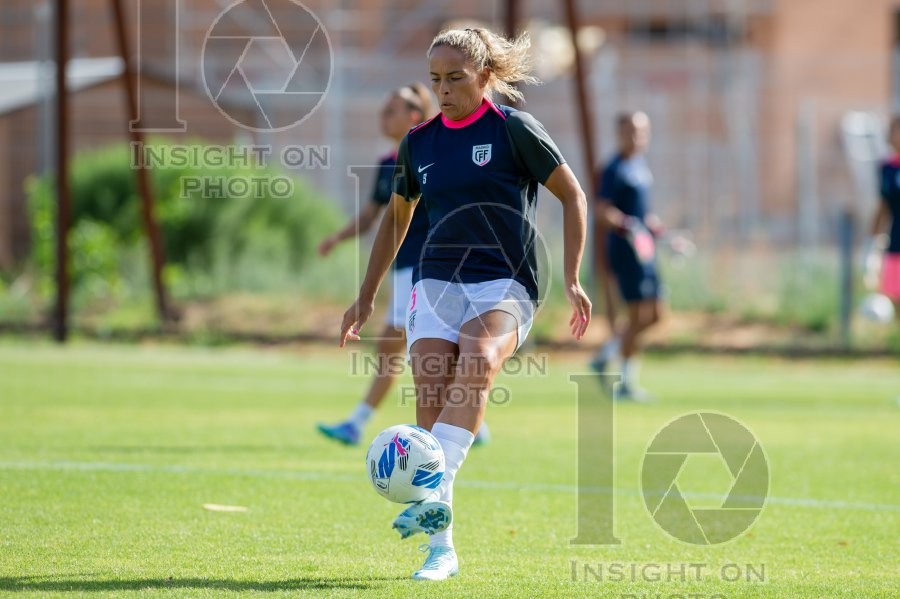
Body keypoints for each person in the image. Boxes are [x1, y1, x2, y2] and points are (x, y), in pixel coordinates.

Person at [338, 27, 591, 581]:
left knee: (478, 358)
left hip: (506, 282)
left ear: (484, 75)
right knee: (430, 398)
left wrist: (572, 277)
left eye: (455, 77)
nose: (444, 89)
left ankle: (432, 488)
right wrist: (365, 295)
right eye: (436, 79)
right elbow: (397, 218)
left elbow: (573, 196)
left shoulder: (514, 129)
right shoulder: (419, 142)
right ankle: (441, 552)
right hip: (435, 282)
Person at [317, 86, 492, 447]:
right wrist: (337, 237)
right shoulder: (388, 164)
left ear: (414, 116)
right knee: (418, 352)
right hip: (402, 269)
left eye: (391, 110)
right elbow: (371, 216)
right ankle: (470, 421)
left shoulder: (436, 155)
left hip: (428, 270)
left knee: (396, 348)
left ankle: (358, 423)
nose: (383, 117)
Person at [590, 111, 665, 401]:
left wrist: (656, 228)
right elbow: (603, 210)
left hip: (645, 250)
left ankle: (605, 355)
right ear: (620, 134)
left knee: (656, 315)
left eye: (642, 131)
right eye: (631, 131)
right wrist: (627, 226)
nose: (637, 137)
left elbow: (642, 214)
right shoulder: (614, 169)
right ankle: (625, 383)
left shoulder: (640, 166)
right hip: (626, 252)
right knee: (638, 315)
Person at [866, 115, 900, 319]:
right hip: (896, 242)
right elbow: (883, 206)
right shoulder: (887, 169)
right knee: (894, 297)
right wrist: (871, 244)